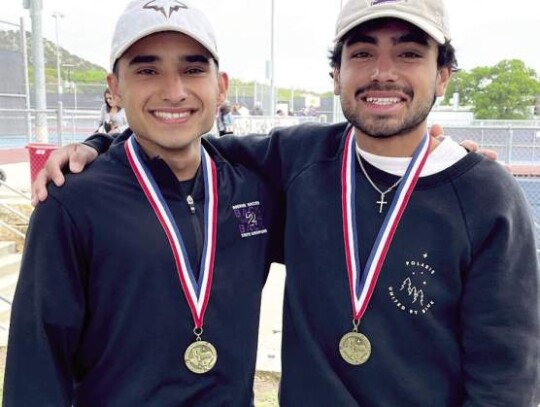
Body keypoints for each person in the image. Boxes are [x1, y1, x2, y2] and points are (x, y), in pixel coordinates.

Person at [30, 0, 540, 405]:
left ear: (443, 74)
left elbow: (506, 377)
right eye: (361, 53)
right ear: (336, 74)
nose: (383, 72)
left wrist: (463, 168)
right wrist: (98, 143)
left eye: (409, 53)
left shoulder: (485, 196)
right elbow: (178, 139)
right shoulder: (299, 161)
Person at [3, 1, 282, 405]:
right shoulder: (71, 202)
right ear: (115, 89)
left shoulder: (253, 191)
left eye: (192, 69)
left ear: (220, 86)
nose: (173, 92)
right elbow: (37, 366)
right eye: (147, 70)